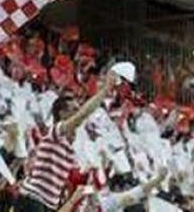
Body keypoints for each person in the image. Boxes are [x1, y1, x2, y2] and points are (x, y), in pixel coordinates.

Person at [18, 71, 119, 212]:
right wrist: (105, 90)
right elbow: (83, 114)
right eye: (74, 110)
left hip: (47, 205)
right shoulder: (55, 132)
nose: (78, 113)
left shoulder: (72, 149)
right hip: (33, 199)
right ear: (62, 114)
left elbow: (79, 175)